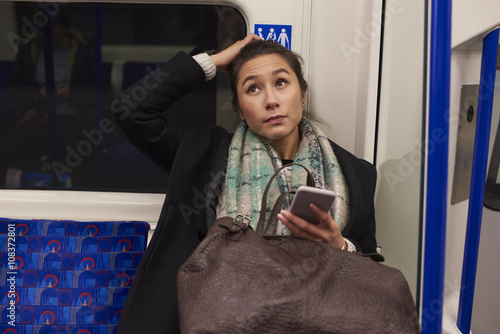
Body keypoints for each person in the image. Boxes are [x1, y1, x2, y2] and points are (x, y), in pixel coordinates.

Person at [112, 34, 377, 333]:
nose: (271, 100)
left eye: (281, 83)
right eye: (253, 88)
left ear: (302, 94)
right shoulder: (202, 154)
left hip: (315, 319)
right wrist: (211, 62)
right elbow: (131, 111)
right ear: (239, 109)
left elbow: (370, 272)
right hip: (207, 318)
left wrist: (339, 246)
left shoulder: (356, 173)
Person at [2, 11, 95, 188]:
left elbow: (97, 91)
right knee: (13, 146)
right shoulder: (28, 51)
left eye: (54, 31)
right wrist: (39, 95)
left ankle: (78, 192)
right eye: (45, 32)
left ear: (64, 29)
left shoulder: (83, 52)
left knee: (82, 149)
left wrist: (71, 94)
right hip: (37, 114)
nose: (50, 36)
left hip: (73, 115)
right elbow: (14, 91)